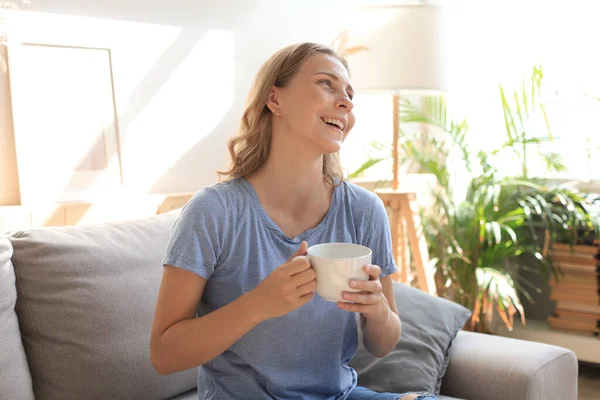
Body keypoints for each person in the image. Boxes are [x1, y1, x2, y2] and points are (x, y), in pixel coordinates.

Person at [149, 42, 436, 400]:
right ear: (275, 99)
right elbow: (163, 354)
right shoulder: (213, 211)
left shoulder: (364, 209)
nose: (346, 102)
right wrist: (257, 305)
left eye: (349, 93)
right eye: (326, 84)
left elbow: (384, 344)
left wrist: (378, 312)